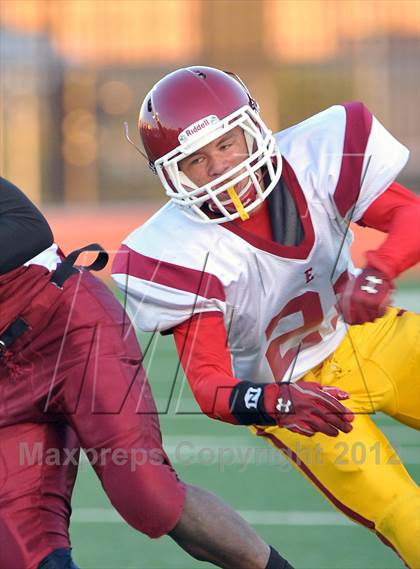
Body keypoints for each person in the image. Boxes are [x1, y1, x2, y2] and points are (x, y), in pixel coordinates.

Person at [112, 66, 420, 568]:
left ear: (253, 128)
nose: (218, 167)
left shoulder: (316, 157)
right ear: (173, 174)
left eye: (227, 144)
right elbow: (209, 384)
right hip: (297, 394)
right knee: (405, 513)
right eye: (196, 160)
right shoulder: (178, 250)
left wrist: (381, 270)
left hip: (369, 338)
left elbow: (410, 215)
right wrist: (276, 403)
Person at [0, 176, 295, 569]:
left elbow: (28, 231)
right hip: (7, 371)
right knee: (19, 546)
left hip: (67, 328)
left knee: (147, 493)